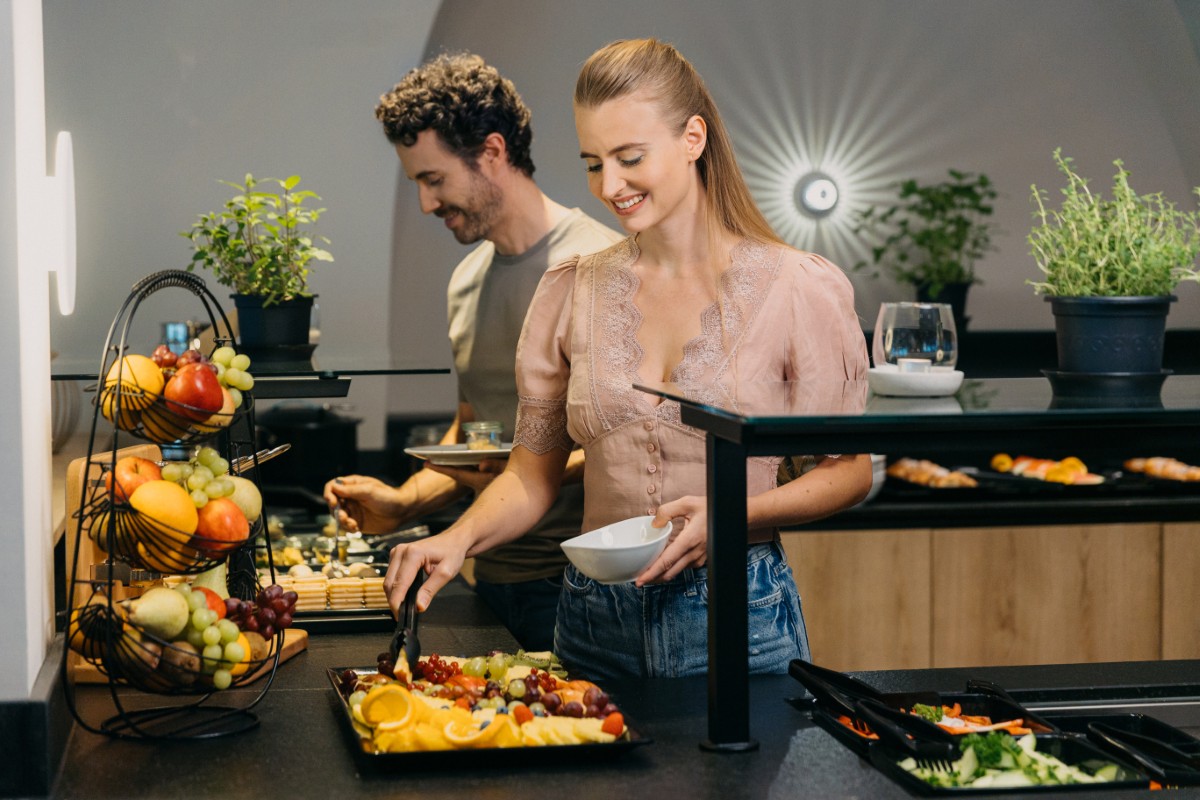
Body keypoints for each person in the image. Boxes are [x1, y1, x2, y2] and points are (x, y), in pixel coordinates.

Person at [383, 39, 871, 679]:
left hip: (739, 613)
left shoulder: (797, 286)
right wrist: (454, 540)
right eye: (593, 162)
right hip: (592, 619)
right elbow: (532, 477)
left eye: (630, 157)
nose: (609, 186)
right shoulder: (572, 288)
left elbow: (849, 471)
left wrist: (733, 515)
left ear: (693, 138)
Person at [323, 53, 620, 651]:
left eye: (433, 180)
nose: (427, 204)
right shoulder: (465, 281)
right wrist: (404, 502)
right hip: (490, 579)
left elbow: (634, 444)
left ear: (491, 152)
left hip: (587, 589)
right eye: (417, 184)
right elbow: (476, 444)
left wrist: (534, 471)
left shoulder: (603, 265)